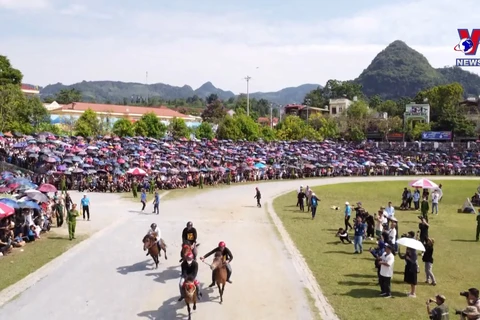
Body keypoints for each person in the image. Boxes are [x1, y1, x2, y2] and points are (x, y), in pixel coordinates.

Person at [399, 231, 418, 298]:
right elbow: (404, 256)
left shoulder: (414, 252)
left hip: (413, 267)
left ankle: (413, 293)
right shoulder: (408, 250)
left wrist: (408, 258)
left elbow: (413, 260)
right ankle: (411, 292)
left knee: (413, 281)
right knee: (410, 280)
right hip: (409, 266)